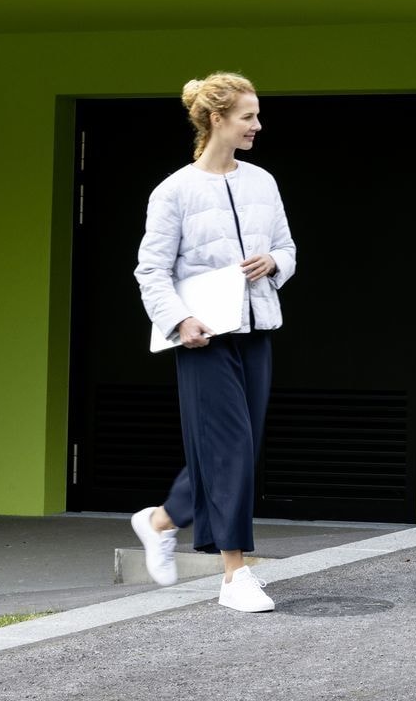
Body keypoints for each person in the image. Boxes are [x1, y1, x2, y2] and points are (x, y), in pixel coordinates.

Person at [128, 72, 297, 613]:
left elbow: (288, 248)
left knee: (236, 449)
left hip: (256, 332)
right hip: (201, 339)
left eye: (256, 115)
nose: (257, 125)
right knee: (231, 449)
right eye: (247, 116)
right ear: (216, 120)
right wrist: (180, 322)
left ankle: (160, 520)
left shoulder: (263, 183)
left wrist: (275, 263)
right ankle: (234, 574)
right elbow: (150, 270)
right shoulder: (173, 191)